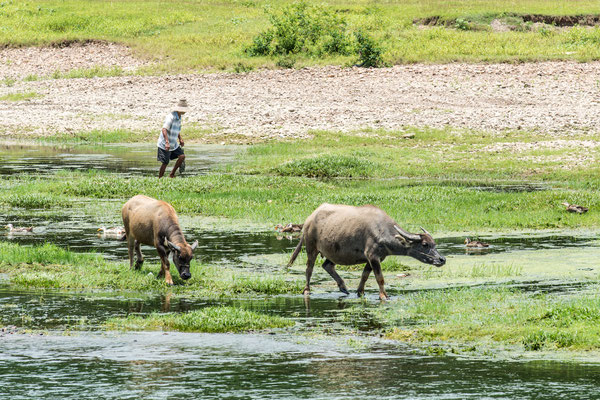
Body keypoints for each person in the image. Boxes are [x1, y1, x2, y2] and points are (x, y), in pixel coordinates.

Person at [157, 99, 188, 178]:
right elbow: (164, 129)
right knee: (165, 162)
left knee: (182, 156)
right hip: (165, 143)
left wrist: (180, 139)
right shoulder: (171, 116)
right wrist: (167, 142)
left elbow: (176, 129)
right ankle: (159, 179)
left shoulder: (179, 117)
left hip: (173, 143)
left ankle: (171, 174)